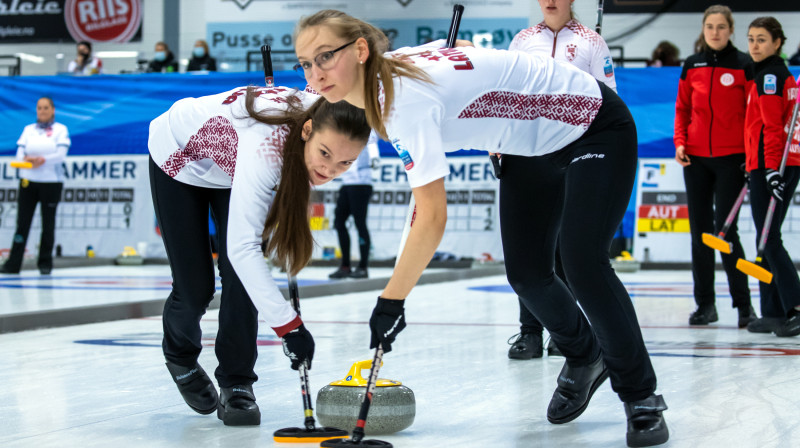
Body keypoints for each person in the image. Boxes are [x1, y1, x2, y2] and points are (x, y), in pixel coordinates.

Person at [294, 10, 669, 447]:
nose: (314, 74)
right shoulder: (392, 64)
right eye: (305, 62)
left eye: (324, 58)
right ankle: (585, 356)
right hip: (528, 146)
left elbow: (432, 217)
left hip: (592, 124)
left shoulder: (400, 102)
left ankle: (641, 397)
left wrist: (391, 301)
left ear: (360, 51)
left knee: (582, 260)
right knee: (527, 275)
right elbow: (465, 50)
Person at [148, 86, 370, 426]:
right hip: (180, 159)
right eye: (324, 154)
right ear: (307, 131)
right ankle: (180, 357)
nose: (329, 171)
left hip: (233, 166)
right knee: (195, 288)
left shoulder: (331, 112)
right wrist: (289, 328)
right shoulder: (267, 148)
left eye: (345, 162)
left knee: (241, 284)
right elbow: (241, 249)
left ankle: (237, 382)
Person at [504, 0, 617, 360]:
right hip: (529, 151)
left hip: (573, 151)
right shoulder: (523, 40)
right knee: (529, 248)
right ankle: (529, 332)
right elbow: (507, 96)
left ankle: (564, 330)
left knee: (565, 246)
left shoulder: (592, 43)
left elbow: (610, 99)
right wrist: (499, 141)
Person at [674, 5, 755, 328]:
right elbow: (682, 107)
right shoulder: (692, 64)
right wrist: (680, 141)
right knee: (700, 234)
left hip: (732, 159)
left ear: (731, 30)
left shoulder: (744, 64)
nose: (716, 32)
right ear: (703, 30)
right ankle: (705, 305)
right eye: (710, 27)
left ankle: (744, 306)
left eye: (722, 27)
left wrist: (751, 153)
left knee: (725, 232)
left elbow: (753, 115)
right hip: (695, 159)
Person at [743, 17, 800, 337]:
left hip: (776, 164)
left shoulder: (772, 76)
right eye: (751, 39)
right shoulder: (766, 74)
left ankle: (795, 306)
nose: (754, 45)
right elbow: (758, 129)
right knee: (765, 240)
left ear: (778, 42)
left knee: (768, 239)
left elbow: (773, 127)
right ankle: (774, 311)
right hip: (765, 162)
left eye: (762, 39)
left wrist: (771, 169)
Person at [0, 97, 69, 275]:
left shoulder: (60, 130)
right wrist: (28, 160)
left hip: (51, 182)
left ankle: (45, 263)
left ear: (53, 110)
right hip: (28, 181)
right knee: (22, 223)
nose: (42, 111)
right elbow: (19, 155)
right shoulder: (28, 130)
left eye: (46, 107)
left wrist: (42, 160)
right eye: (39, 108)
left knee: (48, 224)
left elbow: (60, 155)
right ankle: (13, 264)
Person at [329, 131, 379, 279]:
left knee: (360, 224)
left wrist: (375, 157)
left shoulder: (365, 125)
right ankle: (345, 266)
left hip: (361, 183)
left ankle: (363, 267)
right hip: (347, 183)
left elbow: (372, 141)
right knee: (339, 222)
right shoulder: (343, 126)